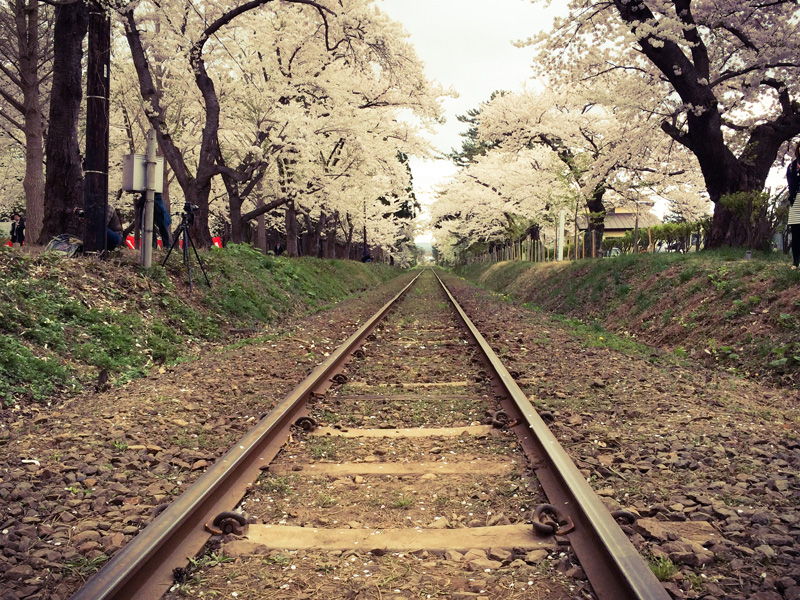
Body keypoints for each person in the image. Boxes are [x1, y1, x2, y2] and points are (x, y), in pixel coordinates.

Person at [787, 141, 800, 269]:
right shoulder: (792, 166)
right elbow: (790, 183)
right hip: (796, 200)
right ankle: (795, 261)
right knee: (796, 231)